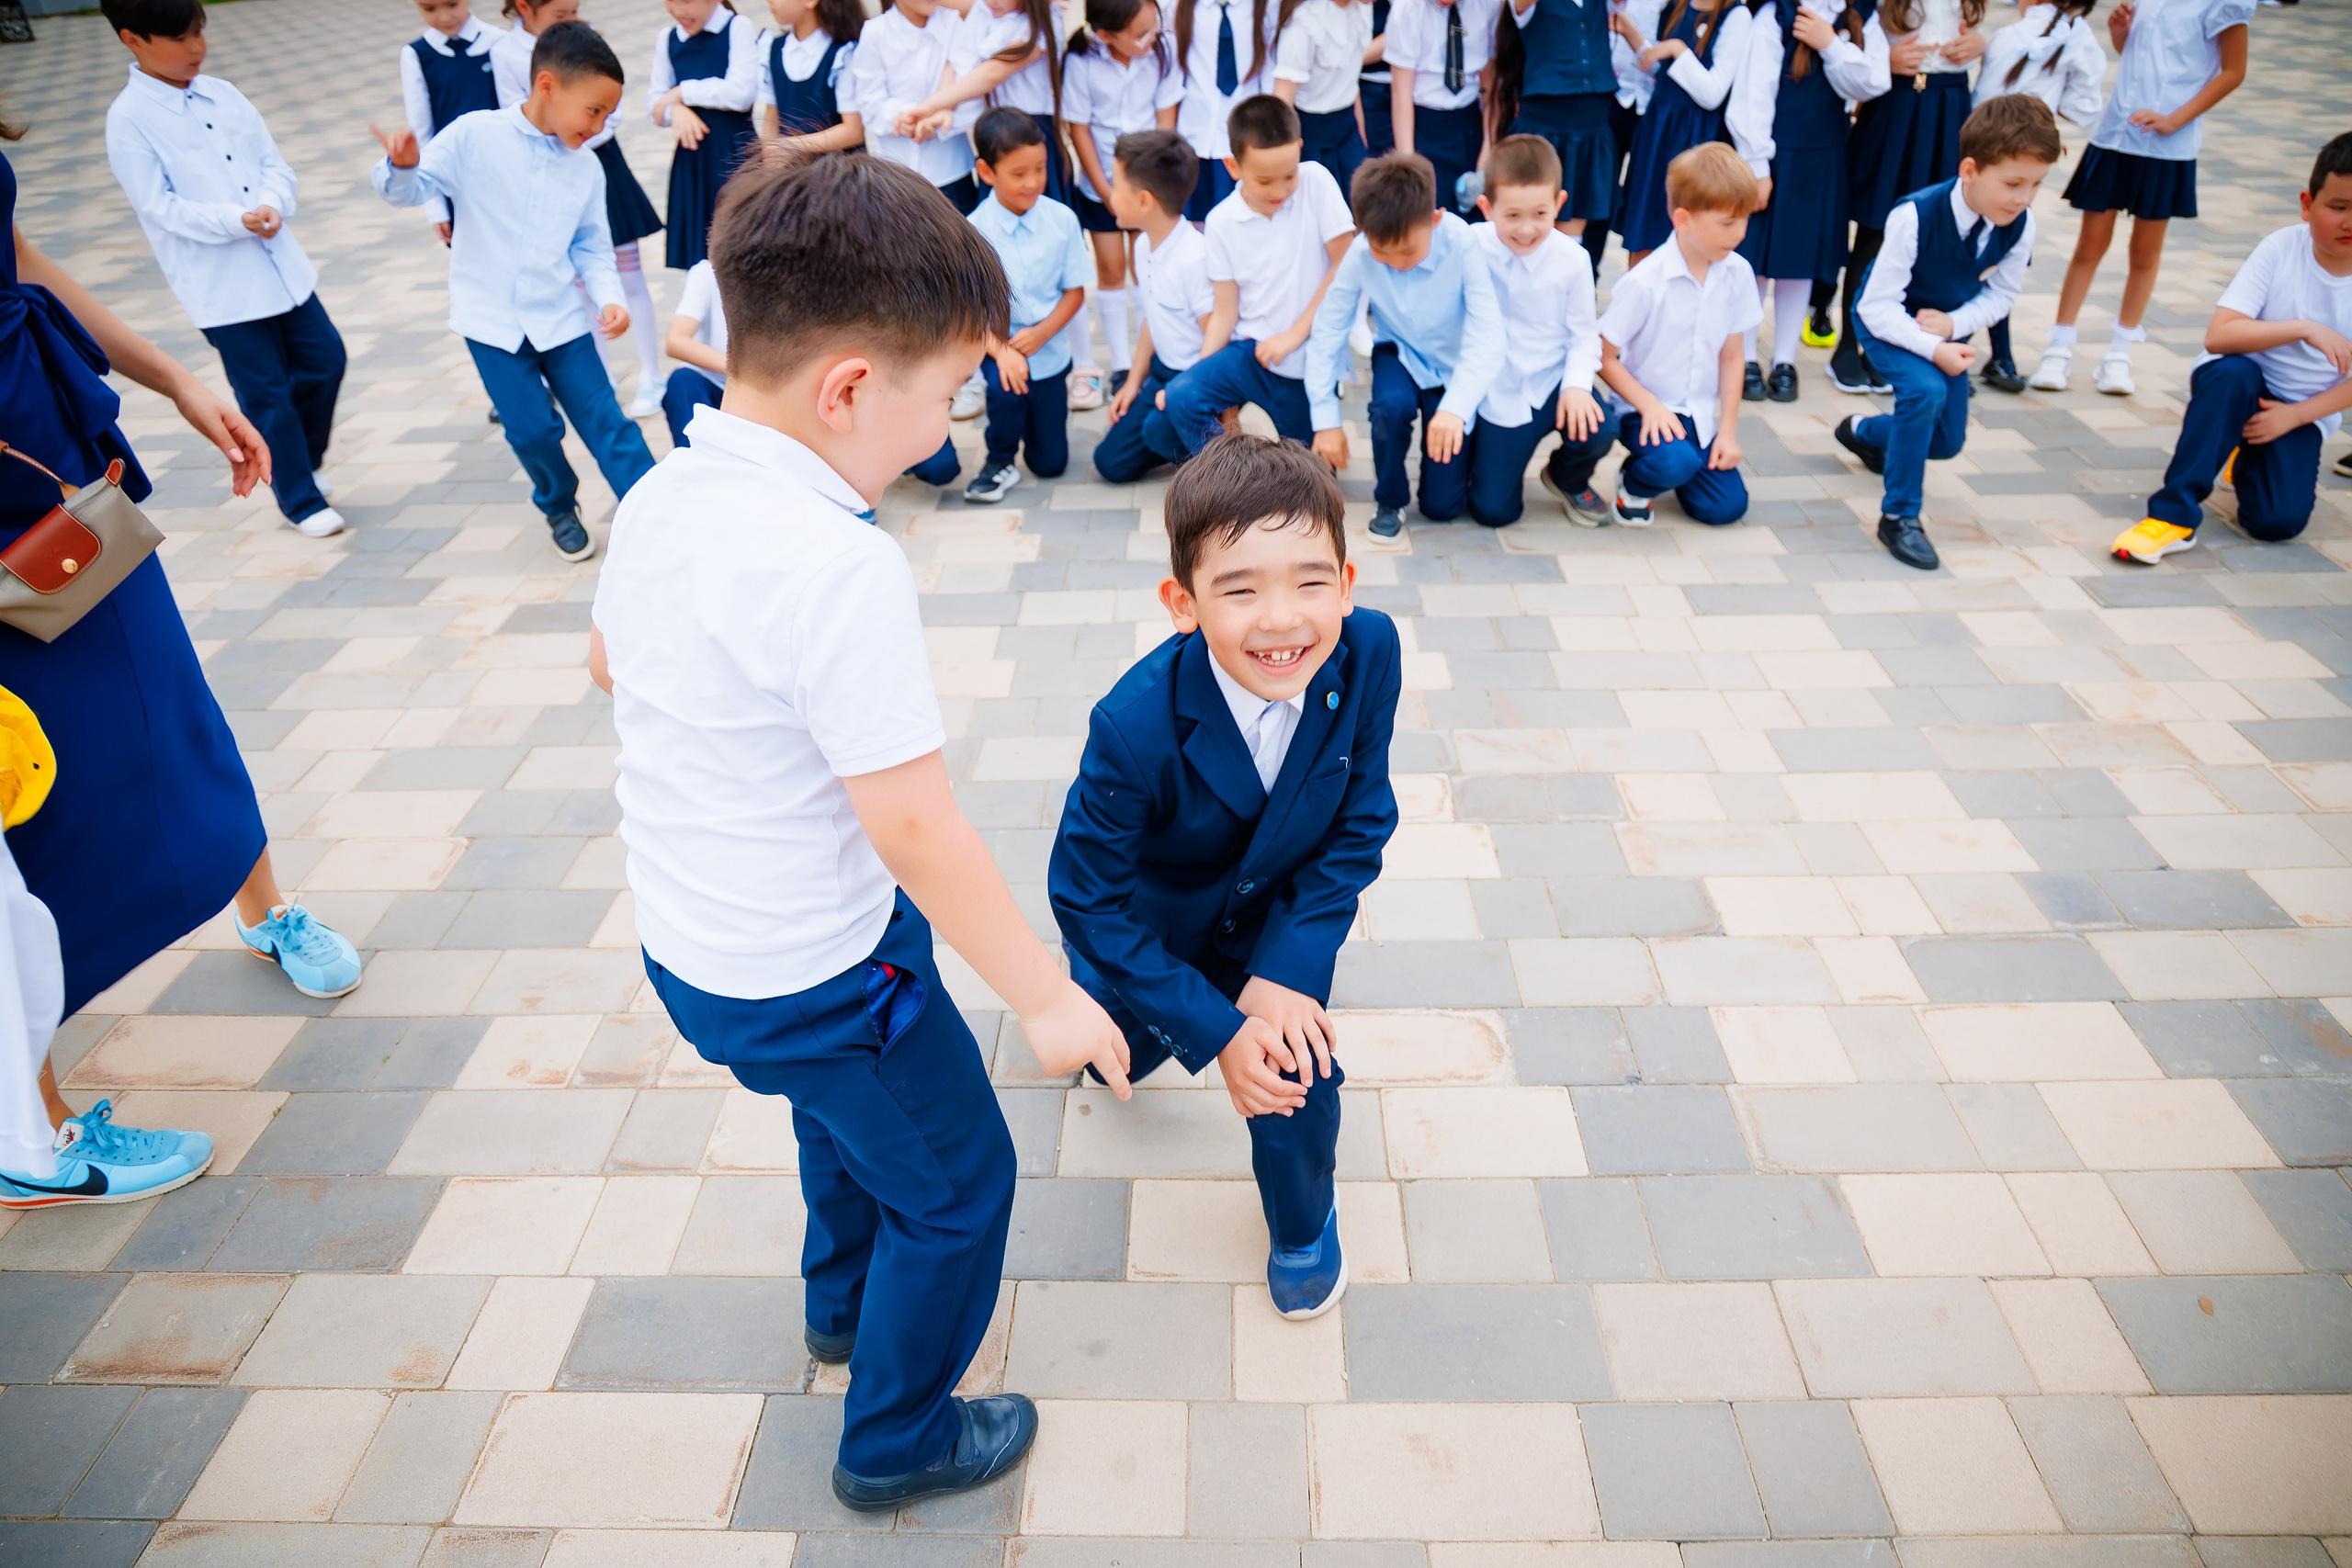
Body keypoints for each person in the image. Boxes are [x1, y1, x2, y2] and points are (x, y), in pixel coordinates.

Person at [591, 147, 1130, 1511]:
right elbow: (913, 822)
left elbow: (612, 666)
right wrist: (1049, 996)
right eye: (941, 395)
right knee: (960, 1181)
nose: (943, 429)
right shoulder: (837, 562)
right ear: (846, 390)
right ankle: (897, 1436)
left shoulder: (665, 493)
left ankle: (841, 1305)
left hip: (700, 949)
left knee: (840, 1121)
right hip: (820, 963)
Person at [1, 125, 363, 1205]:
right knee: (24, 798)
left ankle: (264, 908)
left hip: (52, 479)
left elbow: (18, 260)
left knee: (171, 702)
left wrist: (171, 379)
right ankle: (40, 1133)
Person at [1049, 432, 1400, 1323]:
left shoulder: (1369, 654)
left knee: (1295, 1068)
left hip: (1274, 932)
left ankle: (1301, 1227)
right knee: (1115, 1052)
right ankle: (1108, 1016)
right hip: (1156, 932)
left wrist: (1284, 976)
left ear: (1348, 586)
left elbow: (1361, 821)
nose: (1281, 620)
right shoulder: (1131, 726)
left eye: (1310, 581)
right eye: (1239, 589)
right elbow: (1083, 894)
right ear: (1183, 603)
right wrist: (1213, 1027)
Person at [374, 19, 659, 563]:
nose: (600, 126)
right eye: (594, 110)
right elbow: (412, 189)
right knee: (532, 432)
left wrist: (610, 299)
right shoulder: (474, 135)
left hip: (562, 322)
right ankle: (558, 505)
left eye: (608, 114)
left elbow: (592, 249)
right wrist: (401, 167)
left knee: (609, 423)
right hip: (491, 325)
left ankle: (654, 510)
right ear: (547, 85)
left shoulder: (586, 170)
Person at [102, 0, 349, 539]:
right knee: (267, 397)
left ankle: (299, 463)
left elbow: (273, 165)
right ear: (133, 40)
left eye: (198, 33)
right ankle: (299, 499)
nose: (195, 48)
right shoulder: (128, 119)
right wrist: (238, 219)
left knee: (327, 361)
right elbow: (159, 207)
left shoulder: (225, 93)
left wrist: (274, 204)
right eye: (178, 39)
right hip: (223, 291)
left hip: (283, 268)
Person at [1832, 93, 2057, 570]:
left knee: (1947, 443)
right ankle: (1899, 516)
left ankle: (1867, 433)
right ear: (1971, 170)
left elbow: (2001, 296)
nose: (2024, 198)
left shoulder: (2020, 224)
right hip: (1884, 323)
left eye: (2036, 185)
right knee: (1926, 392)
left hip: (1945, 331)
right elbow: (1876, 305)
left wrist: (1954, 326)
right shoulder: (1914, 215)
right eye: (2014, 183)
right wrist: (1934, 347)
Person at [2111, 132, 2352, 564]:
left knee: (2275, 523)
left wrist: (2294, 416)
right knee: (2229, 374)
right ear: (2306, 204)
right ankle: (2172, 517)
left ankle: (2242, 452)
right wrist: (2303, 328)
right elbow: (2219, 336)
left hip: (2303, 408)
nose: (2350, 222)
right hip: (2241, 382)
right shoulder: (2282, 247)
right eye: (2339, 208)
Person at [2028, 0, 2249, 396]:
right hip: (2115, 132)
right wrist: (2120, 32)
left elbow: (2234, 71)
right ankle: (2058, 347)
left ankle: (2119, 353)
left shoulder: (2225, 3)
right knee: (2088, 246)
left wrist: (2174, 120)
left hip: (2168, 143)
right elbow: (2139, 55)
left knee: (2144, 253)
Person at [1305, 152, 1507, 536]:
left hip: (1454, 365)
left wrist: (1456, 408)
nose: (1395, 263)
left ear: (1435, 219)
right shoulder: (1360, 253)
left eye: (1408, 252)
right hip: (1400, 353)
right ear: (1363, 232)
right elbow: (1329, 329)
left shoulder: (1462, 241)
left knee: (1441, 507)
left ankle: (1455, 466)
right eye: (1384, 253)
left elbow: (1489, 335)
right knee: (1389, 407)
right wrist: (1326, 419)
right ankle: (1390, 499)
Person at [1154, 96, 1357, 459]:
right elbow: (1225, 311)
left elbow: (1346, 268)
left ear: (1299, 148)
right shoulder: (1221, 221)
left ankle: (1267, 467)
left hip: (1308, 361)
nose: (1279, 191)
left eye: (1289, 176)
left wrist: (1294, 335)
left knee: (1313, 473)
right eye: (1264, 180)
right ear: (1233, 166)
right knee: (1181, 397)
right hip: (1252, 353)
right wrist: (1199, 376)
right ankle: (1232, 476)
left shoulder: (1317, 181)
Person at [495, 0, 669, 419]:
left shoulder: (591, 45)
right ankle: (603, 379)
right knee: (581, 286)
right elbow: (512, 111)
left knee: (628, 276)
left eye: (574, 10)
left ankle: (652, 375)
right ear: (524, 7)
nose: (571, 20)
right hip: (547, 175)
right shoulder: (505, 53)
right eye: (560, 14)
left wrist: (573, 137)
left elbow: (611, 114)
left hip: (598, 165)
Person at [1726, 0, 1886, 402]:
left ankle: (1784, 360)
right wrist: (1757, 165)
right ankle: (1745, 357)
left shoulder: (1863, 15)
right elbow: (1752, 93)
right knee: (1755, 261)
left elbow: (1872, 82)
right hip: (1776, 155)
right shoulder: (1775, 15)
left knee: (1800, 262)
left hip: (1824, 160)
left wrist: (1830, 43)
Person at [1595, 141, 1760, 525]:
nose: (1739, 234)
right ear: (1683, 219)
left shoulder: (1737, 274)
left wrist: (1728, 433)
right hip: (1644, 408)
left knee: (1726, 508)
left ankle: (1679, 464)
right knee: (1675, 460)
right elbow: (1602, 357)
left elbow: (1732, 356)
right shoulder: (1645, 282)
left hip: (1698, 415)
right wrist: (1650, 405)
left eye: (1744, 220)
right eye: (1726, 223)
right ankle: (1634, 483)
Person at [1826, 0, 1985, 396]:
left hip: (1950, 103)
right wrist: (1883, 61)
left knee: (1940, 230)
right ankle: (1849, 345)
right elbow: (1848, 23)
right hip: (1896, 102)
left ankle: (1921, 344)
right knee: (1875, 231)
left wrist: (1982, 43)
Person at [1464, 133, 1612, 525]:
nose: (1527, 229)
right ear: (1486, 207)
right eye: (1512, 215)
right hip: (1496, 389)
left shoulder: (1573, 260)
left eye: (1540, 214)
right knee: (1493, 511)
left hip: (1551, 382)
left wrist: (1578, 386)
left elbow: (1584, 335)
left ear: (1559, 204)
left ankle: (1566, 475)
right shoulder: (1468, 246)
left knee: (1600, 425)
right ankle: (1487, 460)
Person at [1969, 0, 2102, 392]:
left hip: (1977, 159)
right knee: (2000, 257)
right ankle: (2000, 356)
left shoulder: (2006, 36)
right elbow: (2085, 106)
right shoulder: (2080, 41)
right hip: (2020, 170)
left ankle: (1966, 348)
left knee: (1969, 253)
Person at [962, 108, 1092, 502]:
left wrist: (1043, 333)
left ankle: (1035, 432)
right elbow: (968, 309)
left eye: (1040, 168)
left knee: (1051, 464)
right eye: (1019, 174)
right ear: (987, 173)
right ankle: (999, 459)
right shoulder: (973, 230)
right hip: (998, 345)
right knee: (1006, 394)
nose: (1033, 182)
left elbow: (1075, 292)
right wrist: (1002, 351)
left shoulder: (1062, 220)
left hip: (1048, 348)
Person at [1063, 0, 1182, 408]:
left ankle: (1145, 361)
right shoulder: (1081, 61)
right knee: (1111, 270)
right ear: (1106, 35)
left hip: (1148, 185)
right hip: (1101, 185)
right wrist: (1108, 190)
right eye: (1140, 34)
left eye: (1155, 28)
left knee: (1144, 266)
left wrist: (1151, 181)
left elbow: (1166, 120)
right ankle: (1118, 362)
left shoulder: (1161, 53)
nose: (1152, 38)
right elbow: (1079, 129)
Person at [1097, 129, 1211, 481]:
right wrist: (1134, 382)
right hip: (1163, 370)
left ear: (1144, 200)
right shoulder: (1144, 246)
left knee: (1156, 432)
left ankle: (1215, 462)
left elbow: (1217, 342)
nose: (1110, 195)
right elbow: (1153, 317)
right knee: (1110, 463)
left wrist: (1183, 393)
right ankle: (1178, 437)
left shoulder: (1195, 259)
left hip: (1196, 381)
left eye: (1116, 186)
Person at [1615, 0, 1751, 264]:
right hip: (1658, 130)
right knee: (1644, 233)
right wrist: (1630, 32)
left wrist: (1678, 49)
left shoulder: (1736, 15)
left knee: (1687, 235)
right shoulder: (1677, 5)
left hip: (1694, 137)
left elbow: (1712, 93)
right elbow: (1662, 69)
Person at [1492, 0, 1635, 242]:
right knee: (1532, 218)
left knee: (1574, 229)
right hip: (1545, 124)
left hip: (1591, 124)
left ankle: (1567, 276)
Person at [846, 0, 990, 215]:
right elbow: (869, 102)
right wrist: (901, 118)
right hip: (896, 176)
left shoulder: (957, 22)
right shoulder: (876, 31)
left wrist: (941, 122)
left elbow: (975, 95)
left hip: (952, 171)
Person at [650, 0, 763, 272]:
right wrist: (676, 110)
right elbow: (655, 104)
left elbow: (742, 93)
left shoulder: (737, 27)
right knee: (700, 261)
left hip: (735, 157)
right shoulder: (668, 38)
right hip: (694, 160)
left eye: (686, 1)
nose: (678, 10)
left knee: (741, 251)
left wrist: (682, 93)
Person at [400, 0, 506, 245]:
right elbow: (422, 134)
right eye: (429, 8)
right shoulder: (416, 55)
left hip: (505, 172)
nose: (444, 16)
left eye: (452, 4)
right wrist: (435, 207)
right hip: (456, 183)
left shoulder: (499, 41)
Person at [1169, 0, 1285, 220]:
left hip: (1245, 137)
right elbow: (1171, 75)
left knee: (1244, 220)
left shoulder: (1265, 7)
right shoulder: (1179, 6)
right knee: (1196, 223)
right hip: (1195, 136)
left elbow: (1270, 74)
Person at [1385, 0, 1501, 221]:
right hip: (1424, 125)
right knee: (1430, 218)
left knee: (1476, 218)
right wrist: (1409, 164)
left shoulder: (1487, 4)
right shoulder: (1407, 9)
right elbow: (1401, 93)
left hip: (1469, 123)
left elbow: (1490, 84)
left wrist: (1489, 147)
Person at [1273, 0, 1374, 196]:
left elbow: (1350, 81)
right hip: (1310, 138)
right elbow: (1282, 101)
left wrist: (1361, 140)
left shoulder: (1362, 9)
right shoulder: (1306, 20)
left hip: (1348, 131)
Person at [756, 0, 865, 153]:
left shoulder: (842, 53)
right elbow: (771, 119)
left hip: (838, 171)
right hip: (791, 172)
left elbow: (854, 131)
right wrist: (770, 160)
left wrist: (792, 146)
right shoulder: (774, 49)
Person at [662, 257, 729, 446]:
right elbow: (675, 341)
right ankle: (693, 469)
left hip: (769, 394)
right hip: (716, 384)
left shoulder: (793, 272)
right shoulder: (707, 272)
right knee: (682, 382)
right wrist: (742, 372)